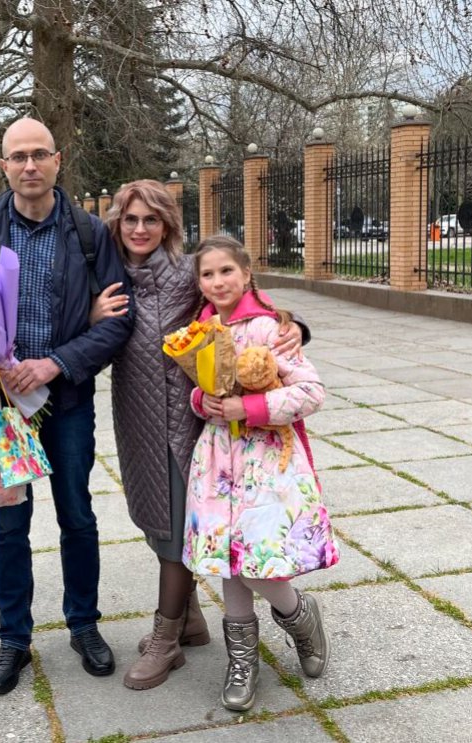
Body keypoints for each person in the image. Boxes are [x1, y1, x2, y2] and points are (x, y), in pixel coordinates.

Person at [90, 181, 306, 691]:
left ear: (167, 225)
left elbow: (249, 301)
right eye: (130, 219)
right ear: (117, 224)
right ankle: (189, 620)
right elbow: (86, 335)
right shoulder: (109, 278)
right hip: (137, 416)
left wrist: (294, 325)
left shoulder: (190, 273)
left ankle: (166, 640)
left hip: (193, 424)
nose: (140, 229)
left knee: (174, 528)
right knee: (155, 519)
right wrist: (91, 315)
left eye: (151, 219)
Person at [0, 118, 133, 695]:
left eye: (40, 154)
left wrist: (55, 363)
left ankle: (83, 624)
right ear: (3, 166)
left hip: (66, 401)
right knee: (9, 525)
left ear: (58, 160)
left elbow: (118, 322)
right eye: (19, 156)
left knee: (77, 516)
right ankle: (13, 638)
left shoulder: (89, 233)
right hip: (6, 406)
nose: (30, 165)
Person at [184, 234, 337, 712]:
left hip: (266, 463)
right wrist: (202, 401)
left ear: (247, 274)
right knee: (230, 559)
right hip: (216, 461)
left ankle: (299, 615)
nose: (218, 281)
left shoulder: (271, 329)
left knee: (258, 557)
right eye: (208, 274)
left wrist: (248, 407)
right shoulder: (200, 330)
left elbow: (311, 392)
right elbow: (197, 388)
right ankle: (243, 661)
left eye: (227, 271)